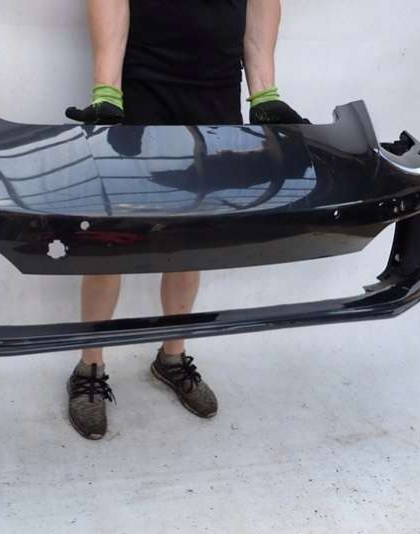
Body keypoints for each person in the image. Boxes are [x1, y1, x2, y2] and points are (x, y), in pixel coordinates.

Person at [65, 0, 306, 440]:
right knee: (109, 241)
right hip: (141, 91)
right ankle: (89, 366)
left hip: (215, 95)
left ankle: (171, 357)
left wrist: (265, 94)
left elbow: (259, 6)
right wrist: (107, 91)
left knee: (190, 242)